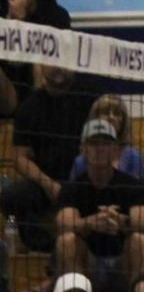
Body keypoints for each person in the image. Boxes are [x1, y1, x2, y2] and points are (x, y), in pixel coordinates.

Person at [56, 118, 144, 292]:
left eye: (105, 143)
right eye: (93, 144)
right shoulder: (72, 188)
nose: (99, 149)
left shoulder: (132, 185)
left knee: (141, 241)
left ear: (116, 150)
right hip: (89, 265)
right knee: (67, 241)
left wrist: (122, 221)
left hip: (124, 264)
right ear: (83, 150)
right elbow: (63, 223)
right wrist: (91, 223)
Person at [5, 65, 95, 255]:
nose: (59, 68)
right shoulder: (29, 107)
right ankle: (46, 245)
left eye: (64, 61)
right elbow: (20, 158)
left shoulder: (90, 96)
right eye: (53, 62)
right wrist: (48, 184)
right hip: (46, 182)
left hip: (84, 178)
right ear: (42, 66)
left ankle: (94, 243)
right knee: (12, 195)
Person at [0, 0, 71, 101]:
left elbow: (61, 58)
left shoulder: (56, 15)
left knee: (41, 59)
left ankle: (37, 114)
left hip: (43, 93)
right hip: (7, 93)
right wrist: (13, 21)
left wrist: (22, 22)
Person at [69, 94, 144, 182]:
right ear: (95, 117)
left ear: (123, 120)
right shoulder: (80, 161)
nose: (111, 117)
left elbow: (138, 191)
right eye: (105, 112)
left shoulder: (134, 156)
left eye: (117, 113)